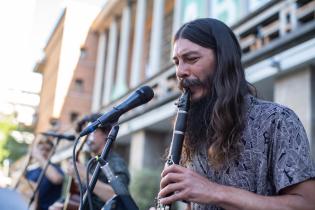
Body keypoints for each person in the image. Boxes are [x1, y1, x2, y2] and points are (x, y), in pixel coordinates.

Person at [158, 18, 315, 210]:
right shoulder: (194, 131)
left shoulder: (278, 120)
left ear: (224, 60)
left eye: (191, 59)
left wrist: (214, 192)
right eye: (177, 62)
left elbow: (307, 204)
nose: (180, 71)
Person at [49, 113, 130, 210]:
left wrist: (84, 175)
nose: (86, 138)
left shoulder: (116, 162)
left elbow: (121, 198)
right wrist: (60, 205)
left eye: (90, 132)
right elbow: (78, 196)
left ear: (106, 132)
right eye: (84, 134)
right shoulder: (89, 163)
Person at [26, 135, 64, 210]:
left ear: (52, 152)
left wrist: (39, 157)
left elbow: (56, 179)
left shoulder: (56, 169)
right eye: (42, 149)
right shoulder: (30, 171)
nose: (44, 152)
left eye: (47, 150)